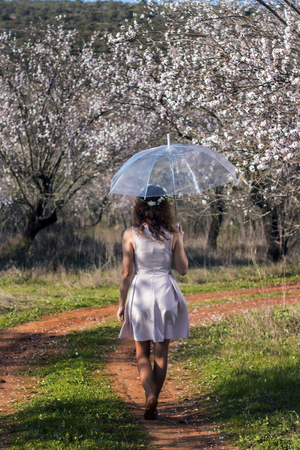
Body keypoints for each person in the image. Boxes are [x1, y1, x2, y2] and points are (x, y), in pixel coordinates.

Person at [117, 185, 189, 420]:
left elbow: (126, 273)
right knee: (161, 353)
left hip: (141, 293)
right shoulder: (173, 233)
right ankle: (153, 397)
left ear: (139, 206)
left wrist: (121, 303)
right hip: (165, 292)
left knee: (141, 353)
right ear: (165, 206)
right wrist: (180, 239)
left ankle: (149, 395)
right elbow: (182, 270)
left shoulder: (131, 234)